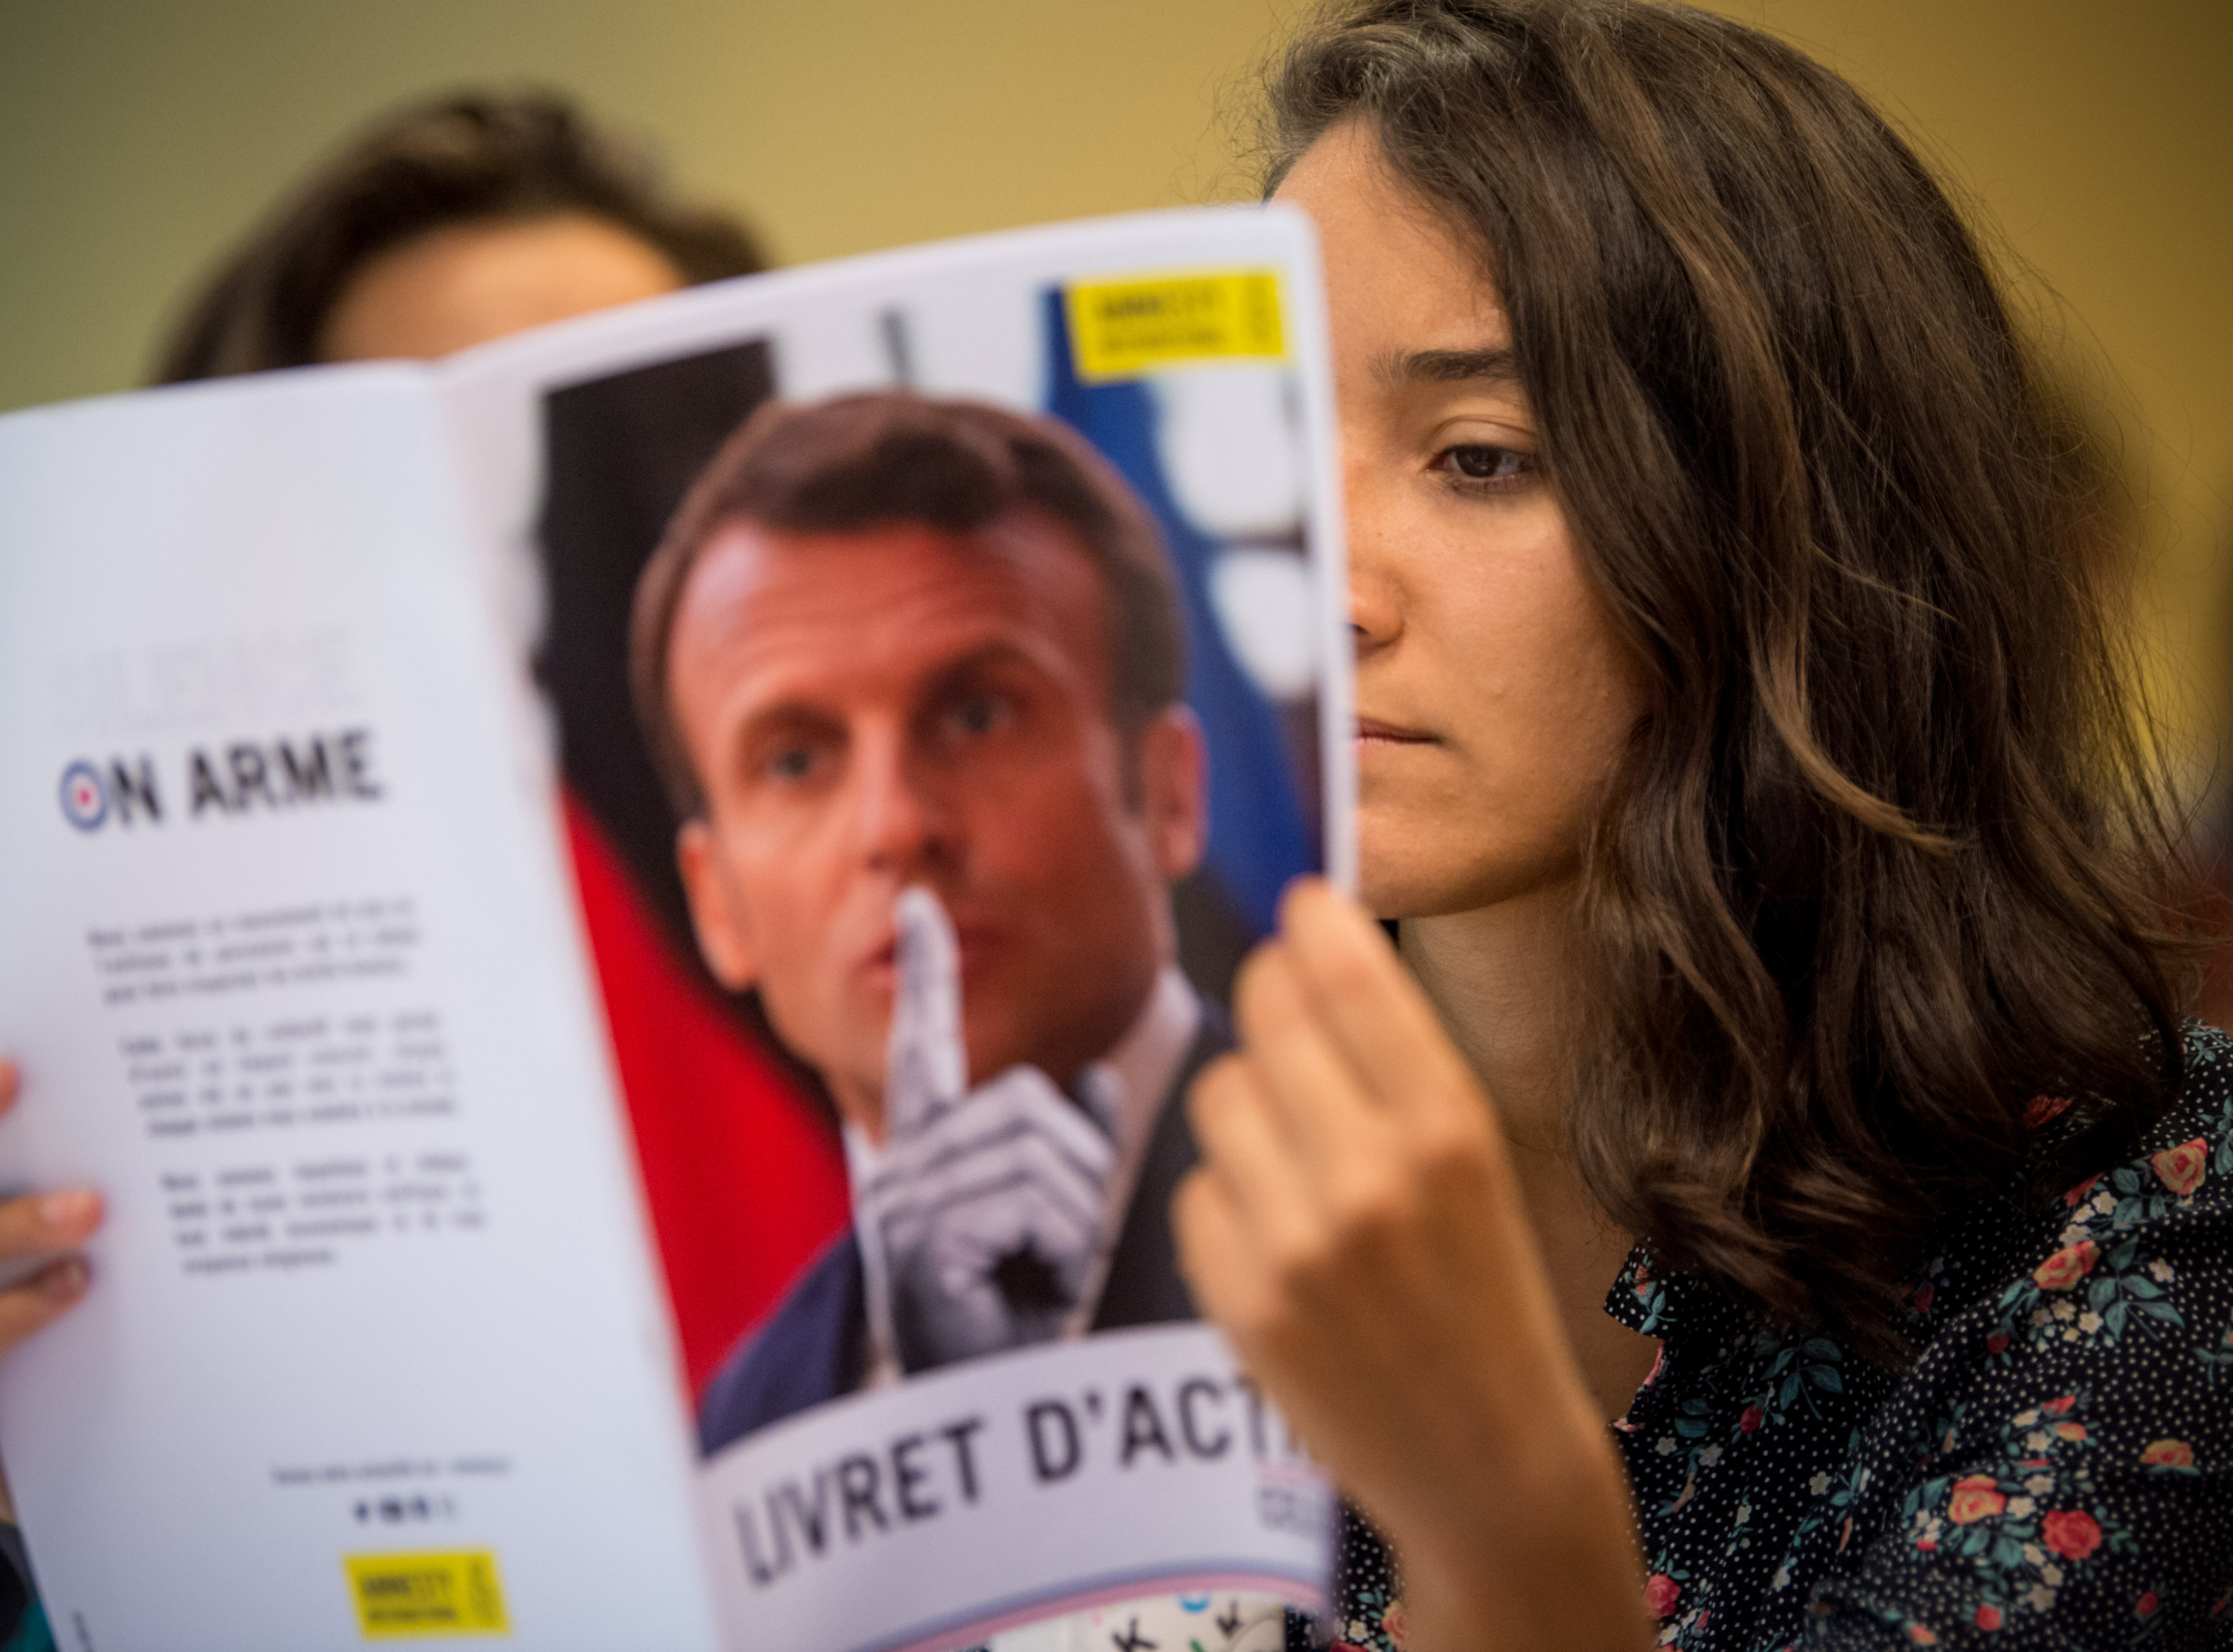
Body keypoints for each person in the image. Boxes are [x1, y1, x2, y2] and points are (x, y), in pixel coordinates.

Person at [1169, 3, 2233, 1649]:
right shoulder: (1114, 1168)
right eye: (1267, 442)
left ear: (1790, 536)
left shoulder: (2141, 1219)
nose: (1319, 576)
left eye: (1478, 457)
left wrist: (1500, 1530)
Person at [0, 87, 821, 1650]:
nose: (525, 559)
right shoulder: (29, 977)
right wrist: (79, 1518)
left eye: (608, 454)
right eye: (417, 480)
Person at [623, 391, 1224, 1451]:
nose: (895, 824)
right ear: (717, 903)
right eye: (795, 760)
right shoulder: (743, 1425)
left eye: (979, 714)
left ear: (1167, 793)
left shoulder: (1429, 1220)